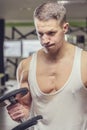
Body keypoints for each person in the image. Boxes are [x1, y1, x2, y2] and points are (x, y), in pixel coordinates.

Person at [7, 1, 87, 130]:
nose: (44, 40)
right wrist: (19, 111)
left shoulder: (84, 63)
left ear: (65, 28)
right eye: (40, 34)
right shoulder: (26, 66)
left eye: (51, 33)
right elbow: (25, 108)